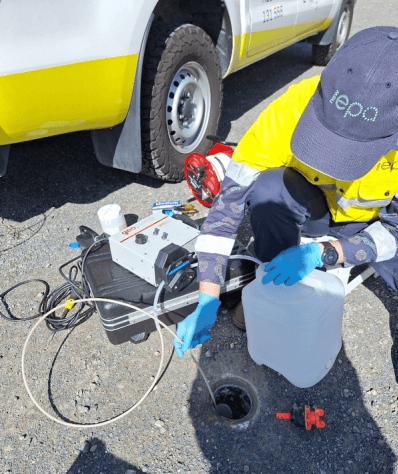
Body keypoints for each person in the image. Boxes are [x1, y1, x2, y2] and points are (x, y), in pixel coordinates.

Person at [174, 26, 398, 358]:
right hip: (319, 211)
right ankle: (272, 292)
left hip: (378, 226)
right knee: (269, 190)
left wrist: (325, 253)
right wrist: (207, 295)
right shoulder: (288, 110)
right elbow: (225, 211)